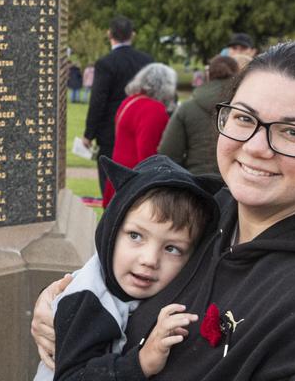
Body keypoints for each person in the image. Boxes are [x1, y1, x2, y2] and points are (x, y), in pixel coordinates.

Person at [32, 41, 295, 379]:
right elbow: (109, 276)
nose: (256, 146)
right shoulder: (203, 216)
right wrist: (60, 308)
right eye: (244, 118)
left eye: (293, 132)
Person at [35, 155, 217, 381]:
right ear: (112, 230)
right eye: (135, 236)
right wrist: (141, 362)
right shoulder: (89, 299)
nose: (150, 259)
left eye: (171, 248)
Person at [85, 17, 153, 198]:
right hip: (142, 129)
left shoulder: (105, 63)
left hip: (110, 133)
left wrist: (88, 134)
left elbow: (98, 101)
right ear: (133, 35)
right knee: (139, 185)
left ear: (109, 34)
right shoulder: (146, 61)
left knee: (110, 186)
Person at [104, 63, 176, 206]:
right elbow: (147, 154)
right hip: (135, 181)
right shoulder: (153, 109)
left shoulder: (131, 100)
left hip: (120, 173)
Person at [159, 56, 239, 176]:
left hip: (196, 181)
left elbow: (168, 152)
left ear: (208, 75)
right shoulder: (245, 109)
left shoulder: (187, 108)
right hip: (235, 181)